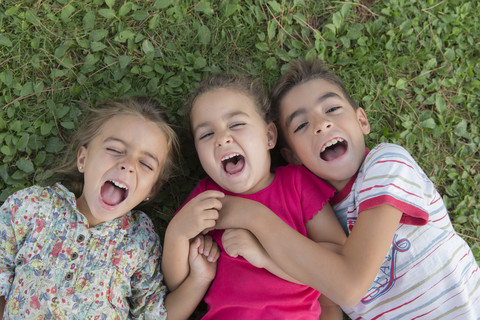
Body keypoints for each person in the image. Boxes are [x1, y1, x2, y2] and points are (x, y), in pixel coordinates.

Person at [213, 58, 480, 319]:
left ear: (362, 121)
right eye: (302, 125)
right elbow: (321, 277)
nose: (321, 124)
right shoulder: (314, 218)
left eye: (332, 109)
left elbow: (349, 286)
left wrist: (253, 215)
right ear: (292, 156)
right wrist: (265, 258)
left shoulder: (386, 163)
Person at [0, 97, 219, 320]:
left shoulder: (139, 240)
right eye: (115, 149)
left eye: (145, 164)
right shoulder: (33, 205)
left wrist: (199, 280)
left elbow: (156, 314)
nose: (128, 165)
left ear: (152, 190)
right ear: (83, 159)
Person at [162, 73, 347, 319]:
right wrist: (177, 233)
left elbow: (335, 260)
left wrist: (264, 256)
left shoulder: (297, 183)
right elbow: (178, 284)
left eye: (236, 124)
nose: (222, 138)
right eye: (206, 135)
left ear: (269, 136)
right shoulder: (206, 197)